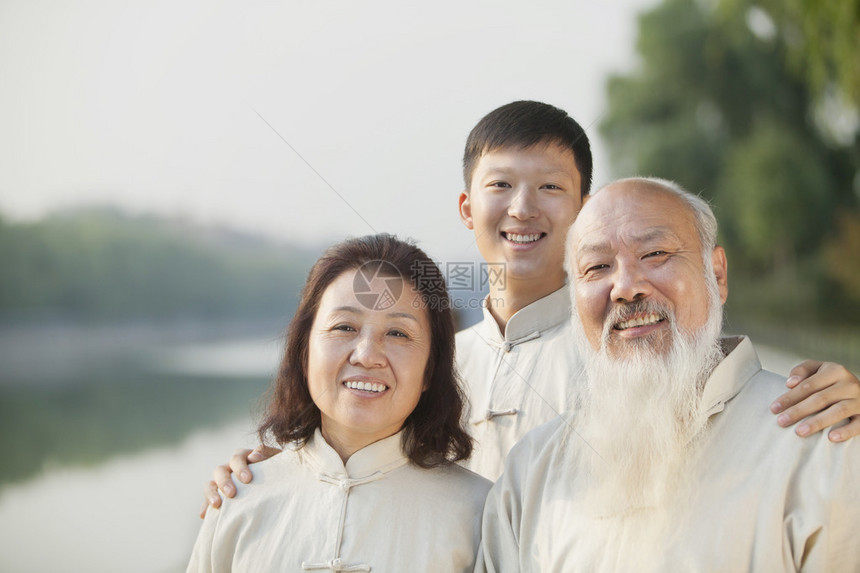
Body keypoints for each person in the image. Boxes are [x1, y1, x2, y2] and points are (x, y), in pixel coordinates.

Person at [202, 101, 860, 504]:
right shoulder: (425, 361)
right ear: (467, 207)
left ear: (583, 210)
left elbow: (739, 407)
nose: (522, 208)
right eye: (500, 185)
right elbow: (352, 455)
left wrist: (839, 390)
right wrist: (273, 469)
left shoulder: (637, 345)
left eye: (550, 186)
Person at [477, 178, 860, 572]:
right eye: (596, 267)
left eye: (655, 253)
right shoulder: (531, 473)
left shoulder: (823, 444)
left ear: (718, 274)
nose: (625, 287)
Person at [188, 234, 491, 572]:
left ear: (429, 371)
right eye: (345, 326)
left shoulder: (480, 515)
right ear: (303, 353)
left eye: (397, 333)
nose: (367, 356)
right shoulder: (237, 500)